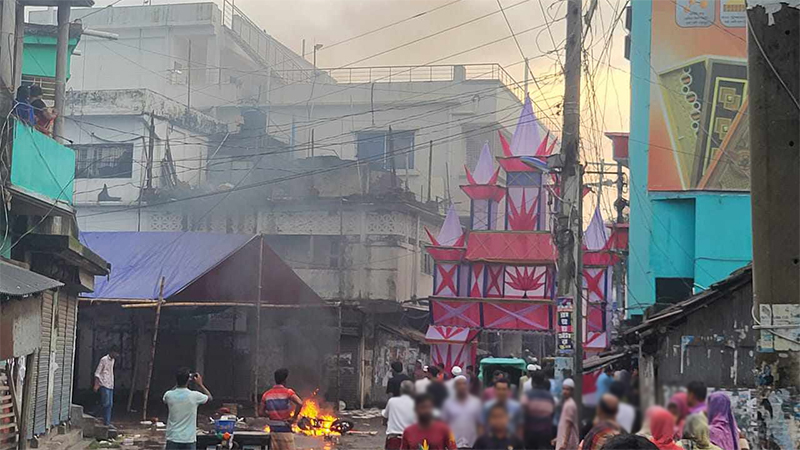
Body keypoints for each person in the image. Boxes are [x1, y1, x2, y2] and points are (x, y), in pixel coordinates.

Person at [163, 368, 213, 450]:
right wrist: (200, 384)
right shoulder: (195, 396)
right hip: (189, 439)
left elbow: (166, 397)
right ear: (188, 380)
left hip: (172, 438)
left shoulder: (169, 395)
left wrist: (179, 382)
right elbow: (210, 398)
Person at [259, 368, 303, 450]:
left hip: (273, 432)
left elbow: (260, 413)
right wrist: (294, 417)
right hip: (285, 431)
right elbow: (300, 403)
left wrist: (271, 414)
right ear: (285, 380)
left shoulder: (266, 394)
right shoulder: (288, 392)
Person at [441, 376, 482, 449]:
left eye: (464, 384)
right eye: (459, 384)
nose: (462, 386)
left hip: (471, 445)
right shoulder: (448, 404)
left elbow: (480, 424)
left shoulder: (476, 403)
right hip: (453, 445)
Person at [522, 371, 556, 450]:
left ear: (532, 382)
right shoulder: (549, 397)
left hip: (530, 433)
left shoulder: (527, 396)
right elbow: (552, 414)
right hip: (545, 433)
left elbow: (522, 414)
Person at [383, 380, 417, 450]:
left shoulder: (392, 401)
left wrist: (385, 423)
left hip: (393, 438)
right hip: (410, 438)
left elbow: (385, 417)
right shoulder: (416, 403)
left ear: (400, 390)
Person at [93, 347, 119, 426]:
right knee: (106, 403)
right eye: (116, 353)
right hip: (103, 384)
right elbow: (97, 372)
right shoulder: (104, 360)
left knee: (109, 404)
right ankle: (95, 414)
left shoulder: (113, 361)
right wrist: (96, 384)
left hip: (110, 384)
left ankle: (107, 422)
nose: (117, 355)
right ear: (111, 352)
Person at [555, 379, 579, 450]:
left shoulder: (570, 405)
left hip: (567, 442)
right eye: (563, 389)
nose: (565, 391)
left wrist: (565, 443)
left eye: (567, 389)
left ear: (572, 391)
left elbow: (569, 425)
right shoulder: (567, 403)